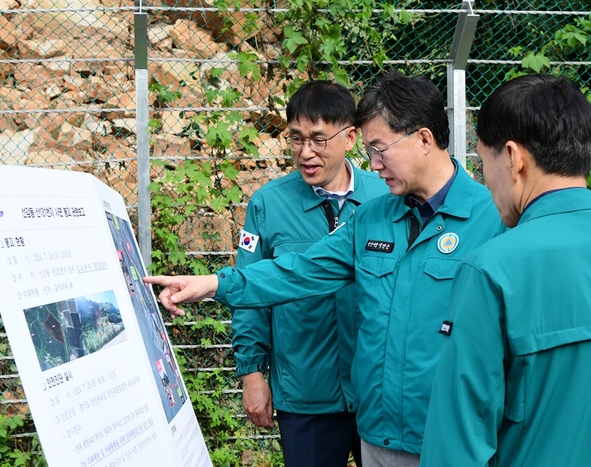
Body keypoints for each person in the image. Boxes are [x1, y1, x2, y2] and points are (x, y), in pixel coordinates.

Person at [144, 70, 504, 466]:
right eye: (369, 151)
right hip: (377, 435)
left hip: (448, 437)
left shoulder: (493, 219)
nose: (374, 163)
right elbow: (296, 271)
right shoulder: (373, 219)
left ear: (423, 139)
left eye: (380, 149)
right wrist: (212, 283)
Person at [420, 75, 591, 466]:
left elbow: (457, 442)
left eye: (483, 163)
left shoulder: (492, 269)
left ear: (513, 157)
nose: (484, 181)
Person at [233, 80, 388, 467]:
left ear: (350, 136)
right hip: (305, 395)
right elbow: (251, 291)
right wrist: (251, 373)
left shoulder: (385, 197)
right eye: (296, 139)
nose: (306, 153)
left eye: (318, 140)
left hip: (376, 391)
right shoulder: (268, 203)